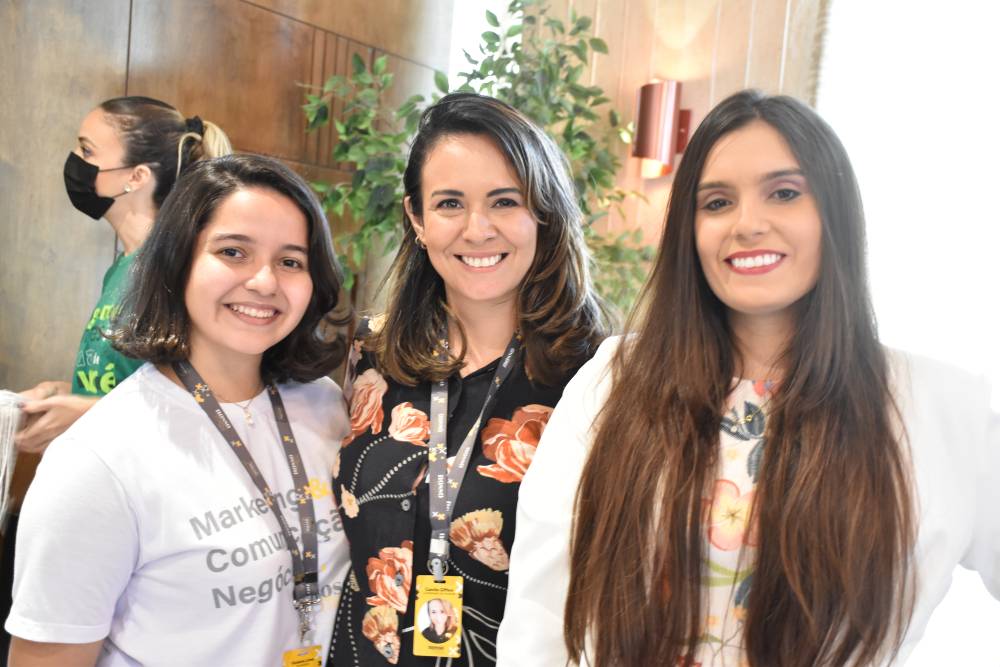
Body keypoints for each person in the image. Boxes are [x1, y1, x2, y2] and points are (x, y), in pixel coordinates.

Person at [496, 90, 1000, 666]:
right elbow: (538, 618)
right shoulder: (614, 382)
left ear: (833, 212)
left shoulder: (938, 406)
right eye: (717, 203)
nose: (749, 224)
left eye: (784, 193)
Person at [5, 154, 352, 666]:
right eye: (233, 252)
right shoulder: (97, 458)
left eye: (291, 261)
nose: (264, 281)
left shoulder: (326, 406)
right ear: (178, 262)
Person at [328, 92, 611, 666]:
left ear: (544, 213)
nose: (477, 229)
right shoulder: (371, 351)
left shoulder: (595, 380)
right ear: (417, 218)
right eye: (450, 203)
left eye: (504, 201)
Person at [15, 96, 232, 453]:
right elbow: (126, 387)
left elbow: (200, 408)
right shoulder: (123, 267)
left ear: (137, 177)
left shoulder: (179, 272)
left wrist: (86, 413)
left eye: (87, 151)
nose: (75, 160)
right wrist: (63, 395)